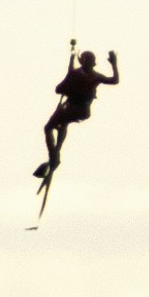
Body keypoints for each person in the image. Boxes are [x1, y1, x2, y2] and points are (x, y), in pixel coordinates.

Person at [35, 43, 120, 193]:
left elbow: (59, 89)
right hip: (79, 110)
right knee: (62, 124)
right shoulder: (92, 76)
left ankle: (54, 156)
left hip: (76, 109)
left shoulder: (82, 75)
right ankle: (55, 156)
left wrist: (70, 71)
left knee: (50, 127)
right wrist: (114, 64)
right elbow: (114, 80)